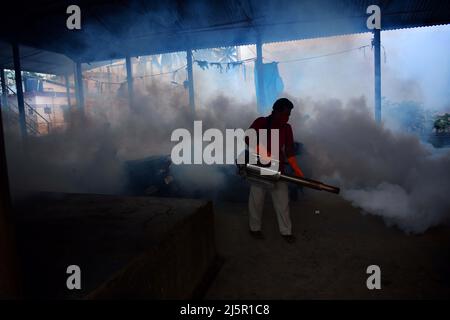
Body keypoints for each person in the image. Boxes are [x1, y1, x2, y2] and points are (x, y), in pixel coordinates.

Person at [247, 98, 304, 243]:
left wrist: (298, 171)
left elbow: (289, 151)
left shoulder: (287, 128)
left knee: (283, 202)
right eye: (285, 114)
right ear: (276, 112)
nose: (287, 118)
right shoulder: (261, 122)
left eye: (289, 115)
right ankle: (255, 229)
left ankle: (286, 232)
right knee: (256, 201)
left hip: (278, 169)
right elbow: (248, 138)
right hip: (259, 168)